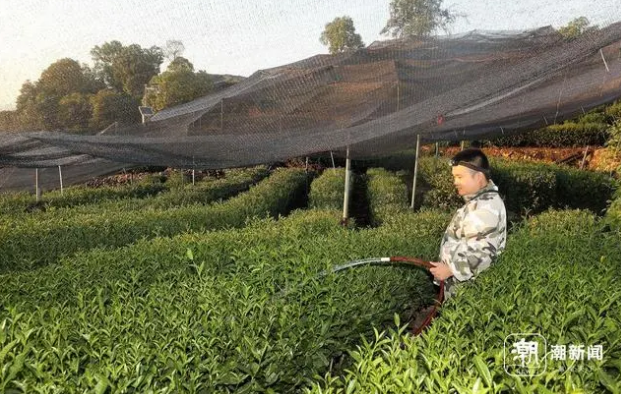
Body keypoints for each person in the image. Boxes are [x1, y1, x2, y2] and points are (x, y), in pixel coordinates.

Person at [429, 148, 507, 300]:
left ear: (478, 177)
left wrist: (451, 269)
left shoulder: (483, 208)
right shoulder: (481, 202)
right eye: (454, 177)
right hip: (465, 289)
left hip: (467, 294)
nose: (455, 182)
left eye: (459, 177)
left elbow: (484, 251)